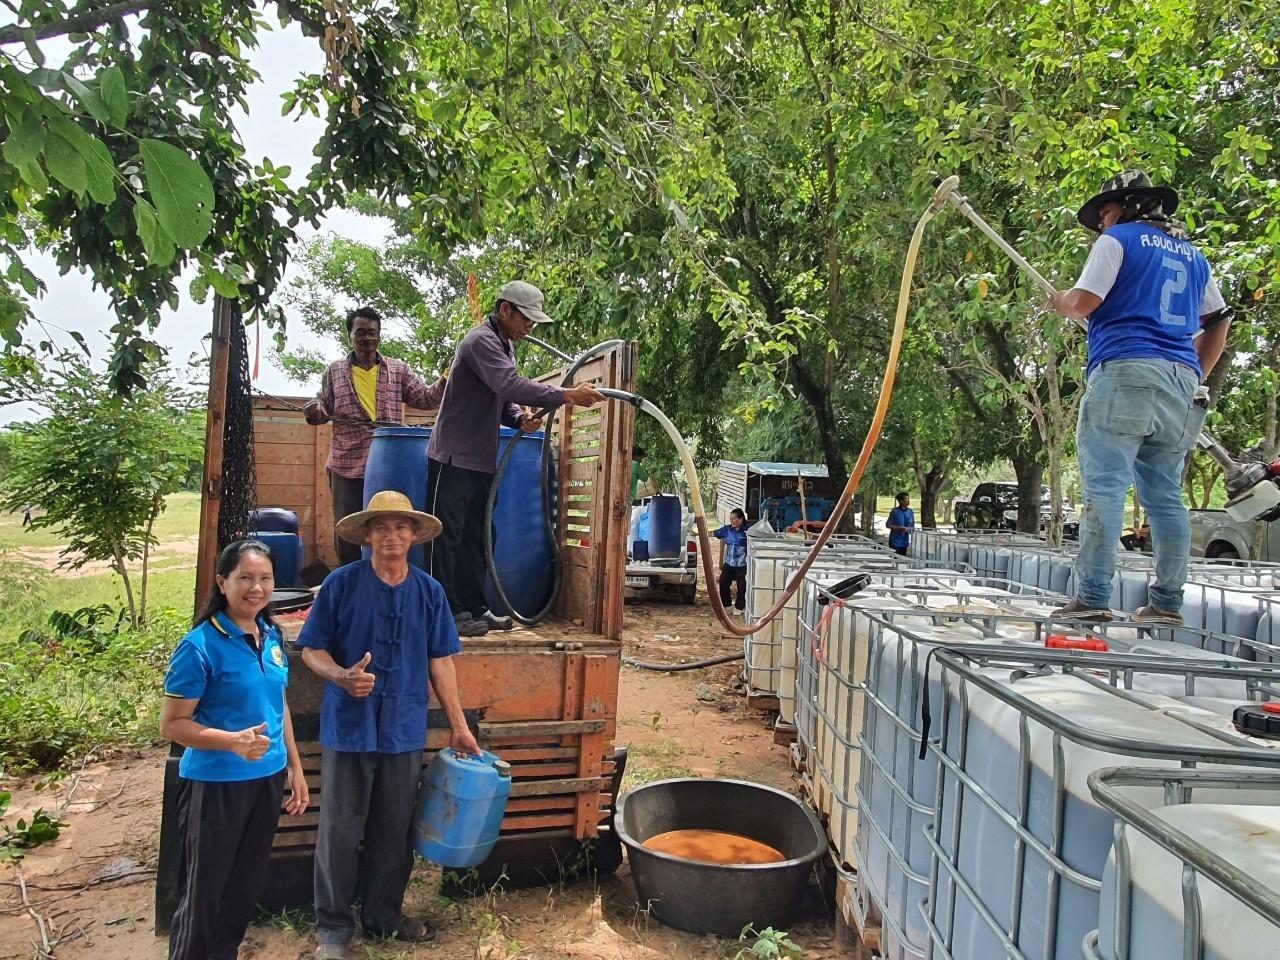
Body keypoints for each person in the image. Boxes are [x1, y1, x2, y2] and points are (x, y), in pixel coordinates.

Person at [297, 490, 480, 960]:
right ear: (367, 536)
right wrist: (340, 675)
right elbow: (312, 648)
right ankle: (333, 930)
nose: (392, 535)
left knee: (393, 828)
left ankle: (384, 917)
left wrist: (459, 725)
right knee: (339, 829)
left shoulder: (428, 591)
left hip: (403, 727)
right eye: (382, 527)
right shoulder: (341, 585)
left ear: (414, 535)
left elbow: (441, 661)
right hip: (350, 728)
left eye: (401, 527)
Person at [1047, 171, 1231, 625]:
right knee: (1166, 495)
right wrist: (1191, 376)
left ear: (1127, 206)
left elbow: (1086, 302)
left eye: (1104, 214)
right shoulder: (1194, 258)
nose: (1101, 225)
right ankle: (1167, 604)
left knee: (1105, 490)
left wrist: (1061, 301)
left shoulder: (1118, 241)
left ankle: (1091, 598)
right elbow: (1219, 324)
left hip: (1125, 370)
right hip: (1178, 384)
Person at [425, 281, 605, 636]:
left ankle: (474, 608)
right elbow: (509, 384)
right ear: (505, 309)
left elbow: (501, 397)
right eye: (526, 320)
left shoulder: (504, 344)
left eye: (534, 323)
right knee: (447, 538)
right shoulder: (481, 341)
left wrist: (518, 417)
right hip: (452, 457)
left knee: (480, 536)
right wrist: (567, 394)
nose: (530, 328)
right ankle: (447, 613)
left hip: (479, 459)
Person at [161, 540, 309, 960]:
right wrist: (231, 741)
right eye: (245, 577)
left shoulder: (273, 635)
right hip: (215, 785)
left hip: (266, 779)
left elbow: (277, 706)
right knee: (204, 895)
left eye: (264, 579)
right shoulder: (199, 646)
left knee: (243, 889)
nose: (256, 588)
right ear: (223, 583)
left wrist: (295, 768)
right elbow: (172, 725)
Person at [304, 306, 445, 566]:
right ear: (350, 336)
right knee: (348, 530)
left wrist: (446, 380)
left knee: (389, 526)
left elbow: (425, 399)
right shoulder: (334, 371)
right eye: (360, 333)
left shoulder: (397, 369)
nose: (367, 338)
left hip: (389, 464)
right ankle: (350, 585)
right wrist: (316, 409)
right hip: (347, 464)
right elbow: (321, 404)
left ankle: (391, 580)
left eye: (372, 333)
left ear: (379, 336)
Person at [713, 508, 749, 616]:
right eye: (731, 519)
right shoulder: (727, 530)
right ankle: (727, 606)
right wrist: (700, 531)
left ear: (741, 519)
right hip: (729, 563)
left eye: (734, 519)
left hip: (742, 565)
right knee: (723, 583)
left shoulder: (748, 531)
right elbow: (714, 533)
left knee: (742, 587)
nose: (732, 521)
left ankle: (739, 607)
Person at [886, 492, 915, 556]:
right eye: (906, 499)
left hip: (905, 541)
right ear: (901, 501)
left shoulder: (910, 511)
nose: (908, 501)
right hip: (894, 541)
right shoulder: (895, 511)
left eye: (908, 499)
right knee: (894, 559)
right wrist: (899, 528)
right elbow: (888, 525)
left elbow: (912, 526)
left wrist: (910, 530)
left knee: (902, 560)